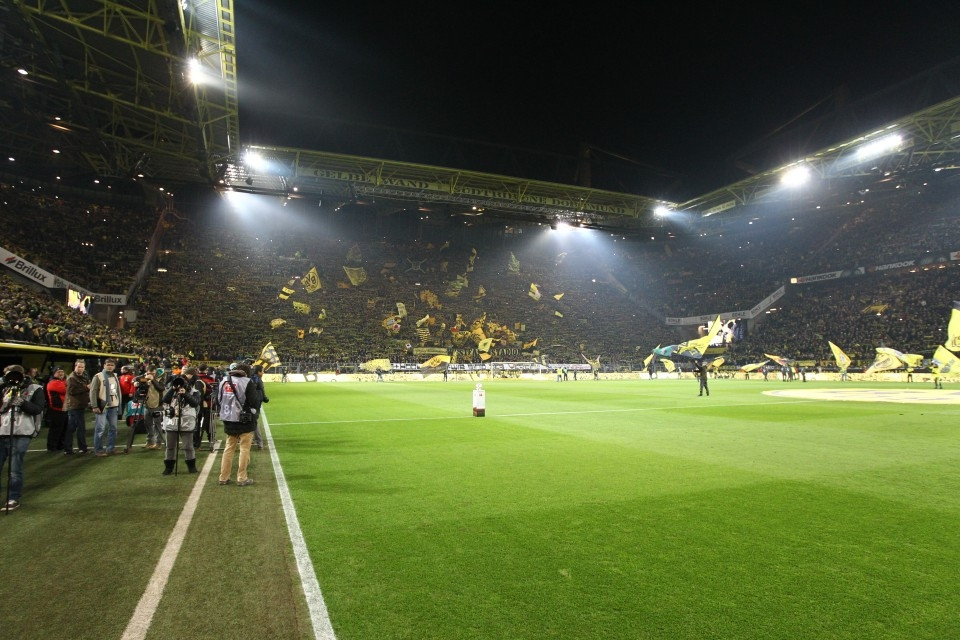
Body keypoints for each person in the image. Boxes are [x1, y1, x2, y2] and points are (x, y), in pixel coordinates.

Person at [0, 364, 46, 510]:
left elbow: (38, 409)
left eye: (13, 374)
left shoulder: (35, 388)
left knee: (15, 468)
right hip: (2, 430)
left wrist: (21, 402)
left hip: (22, 431)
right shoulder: (3, 388)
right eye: (7, 374)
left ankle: (13, 497)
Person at [217, 362, 261, 486]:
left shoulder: (224, 380)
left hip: (228, 419)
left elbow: (218, 400)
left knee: (229, 448)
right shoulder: (247, 382)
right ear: (246, 372)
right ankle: (242, 478)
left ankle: (223, 477)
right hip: (244, 420)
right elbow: (255, 402)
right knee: (244, 448)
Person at [161, 369, 202, 475]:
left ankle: (191, 466)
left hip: (186, 423)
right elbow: (165, 400)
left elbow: (195, 403)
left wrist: (185, 394)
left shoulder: (195, 392)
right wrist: (172, 389)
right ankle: (168, 467)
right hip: (171, 422)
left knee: (188, 447)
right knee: (170, 447)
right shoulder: (172, 391)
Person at [89, 359, 122, 456]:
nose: (110, 366)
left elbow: (116, 391)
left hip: (113, 405)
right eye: (108, 364)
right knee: (100, 429)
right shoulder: (98, 376)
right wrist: (94, 405)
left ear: (114, 366)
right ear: (104, 365)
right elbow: (93, 391)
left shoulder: (115, 376)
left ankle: (110, 448)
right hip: (102, 406)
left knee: (113, 428)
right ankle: (98, 450)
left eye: (112, 365)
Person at [63, 360, 90, 454]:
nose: (81, 369)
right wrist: (87, 387)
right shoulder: (72, 378)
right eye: (79, 367)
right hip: (74, 406)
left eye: (82, 367)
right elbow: (71, 391)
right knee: (79, 428)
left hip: (78, 405)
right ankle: (81, 448)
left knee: (72, 427)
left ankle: (69, 448)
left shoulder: (82, 376)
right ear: (75, 366)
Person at [194, 364, 217, 450]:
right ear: (206, 369)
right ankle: (210, 438)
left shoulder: (195, 378)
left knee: (197, 422)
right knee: (207, 423)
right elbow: (212, 390)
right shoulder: (210, 378)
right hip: (206, 403)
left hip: (196, 403)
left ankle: (196, 443)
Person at [45, 367, 68, 451]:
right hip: (57, 409)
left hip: (65, 408)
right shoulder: (53, 382)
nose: (61, 373)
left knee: (64, 428)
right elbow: (67, 390)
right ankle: (52, 446)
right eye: (58, 372)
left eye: (62, 372)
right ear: (54, 373)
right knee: (56, 429)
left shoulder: (63, 381)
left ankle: (60, 445)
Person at [249, 364, 268, 450]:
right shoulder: (258, 380)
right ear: (259, 372)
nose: (263, 373)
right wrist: (265, 399)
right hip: (255, 404)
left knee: (248, 420)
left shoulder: (249, 378)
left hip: (247, 403)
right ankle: (260, 443)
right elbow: (262, 393)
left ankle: (250, 439)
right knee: (255, 422)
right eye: (262, 371)